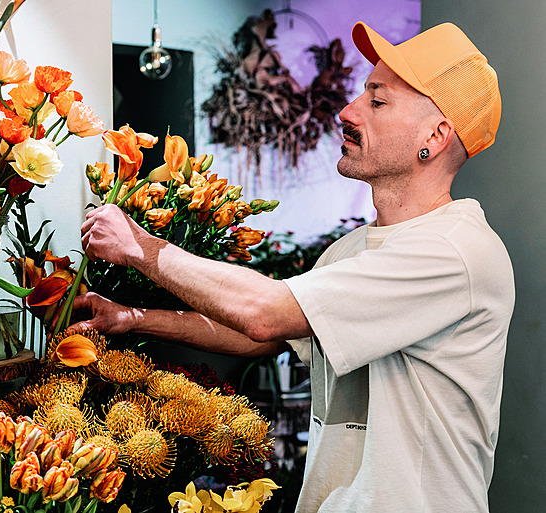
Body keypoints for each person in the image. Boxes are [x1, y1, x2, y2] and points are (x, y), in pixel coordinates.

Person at [67, 21, 515, 513]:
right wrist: (130, 318)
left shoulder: (453, 250)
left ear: (434, 134)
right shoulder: (354, 249)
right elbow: (261, 335)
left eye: (377, 101)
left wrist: (141, 246)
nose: (347, 112)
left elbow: (266, 312)